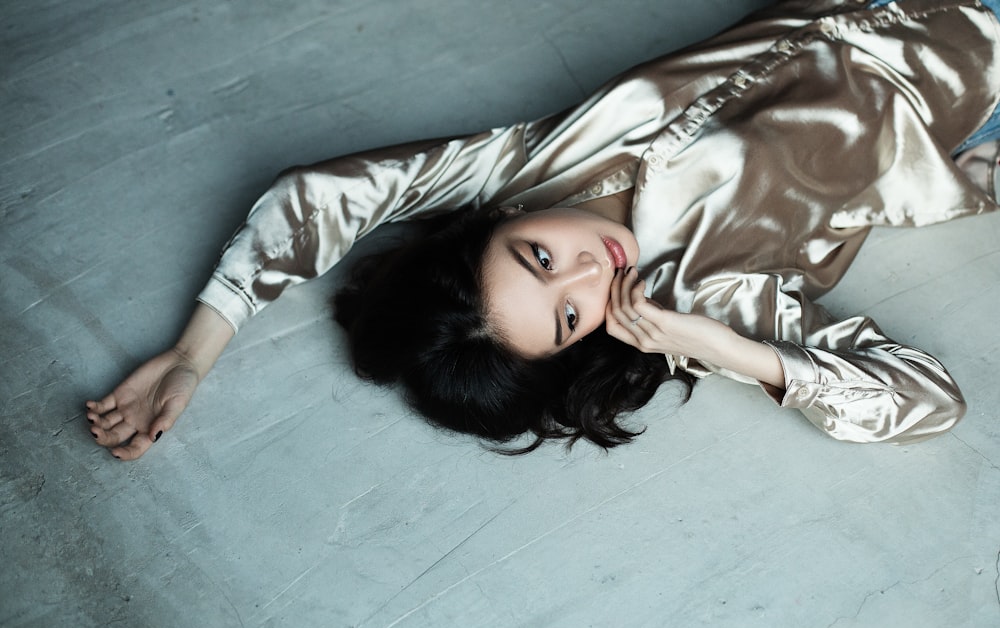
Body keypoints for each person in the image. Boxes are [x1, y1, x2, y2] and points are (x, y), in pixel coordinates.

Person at [87, 0, 1000, 460]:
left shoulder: (522, 168)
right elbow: (926, 398)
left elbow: (319, 195)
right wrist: (727, 349)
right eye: (570, 315)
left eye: (536, 258)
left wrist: (195, 350)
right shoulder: (711, 295)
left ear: (501, 223)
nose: (585, 271)